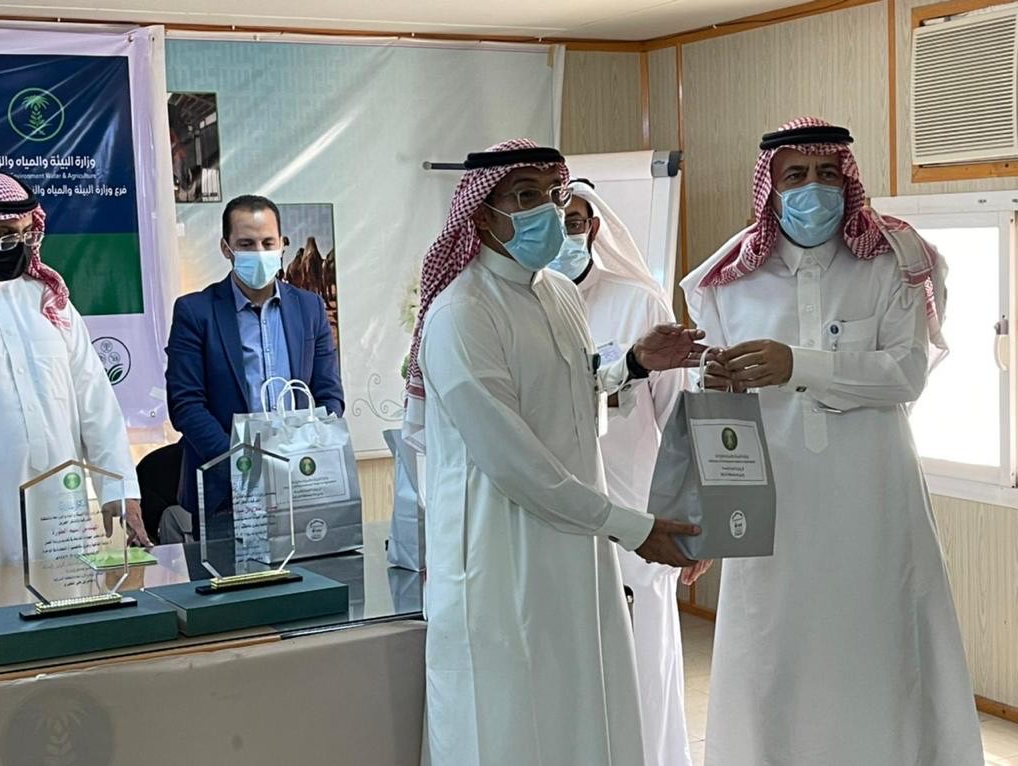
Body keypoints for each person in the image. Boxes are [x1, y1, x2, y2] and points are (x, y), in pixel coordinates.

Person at [684, 117, 982, 765]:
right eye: (795, 175)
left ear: (848, 178)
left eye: (827, 173)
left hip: (873, 498)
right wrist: (716, 385)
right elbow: (718, 407)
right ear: (770, 187)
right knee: (774, 653)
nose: (813, 188)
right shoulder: (726, 280)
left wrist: (799, 364)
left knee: (880, 646)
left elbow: (905, 375)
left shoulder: (895, 262)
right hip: (776, 508)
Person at [403, 138, 707, 766]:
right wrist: (632, 527)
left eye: (552, 193)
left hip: (574, 547)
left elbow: (567, 390)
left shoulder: (558, 294)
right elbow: (512, 459)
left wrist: (632, 363)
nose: (546, 209)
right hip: (501, 559)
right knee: (509, 723)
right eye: (524, 196)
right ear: (482, 214)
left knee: (580, 712)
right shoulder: (461, 313)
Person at [548, 179, 705, 766]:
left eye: (574, 222)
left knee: (643, 664)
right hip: (557, 517)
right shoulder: (525, 305)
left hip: (639, 519)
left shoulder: (639, 302)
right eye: (553, 221)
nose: (564, 234)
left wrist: (696, 518)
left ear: (594, 227)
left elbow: (679, 418)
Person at [0, 172, 150, 564]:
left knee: (67, 593)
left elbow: (95, 401)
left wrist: (120, 492)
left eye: (27, 235)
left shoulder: (51, 303)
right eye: (5, 236)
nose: (19, 246)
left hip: (59, 502)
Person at [165, 195, 344, 519]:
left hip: (302, 482)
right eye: (246, 244)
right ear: (226, 248)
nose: (259, 252)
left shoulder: (310, 308)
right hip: (224, 494)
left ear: (282, 245)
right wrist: (242, 468)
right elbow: (186, 405)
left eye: (267, 243)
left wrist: (310, 450)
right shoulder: (195, 312)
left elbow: (329, 393)